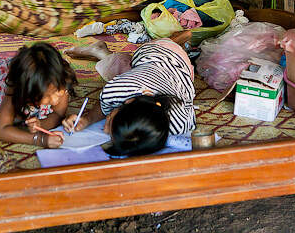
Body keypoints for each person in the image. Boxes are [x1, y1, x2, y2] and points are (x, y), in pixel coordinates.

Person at [62, 38, 195, 157]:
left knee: (119, 69)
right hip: (154, 52)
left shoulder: (178, 125)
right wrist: (87, 119)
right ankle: (175, 39)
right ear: (128, 101)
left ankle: (102, 52)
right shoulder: (116, 90)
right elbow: (105, 104)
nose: (105, 128)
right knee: (116, 70)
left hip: (180, 73)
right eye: (110, 119)